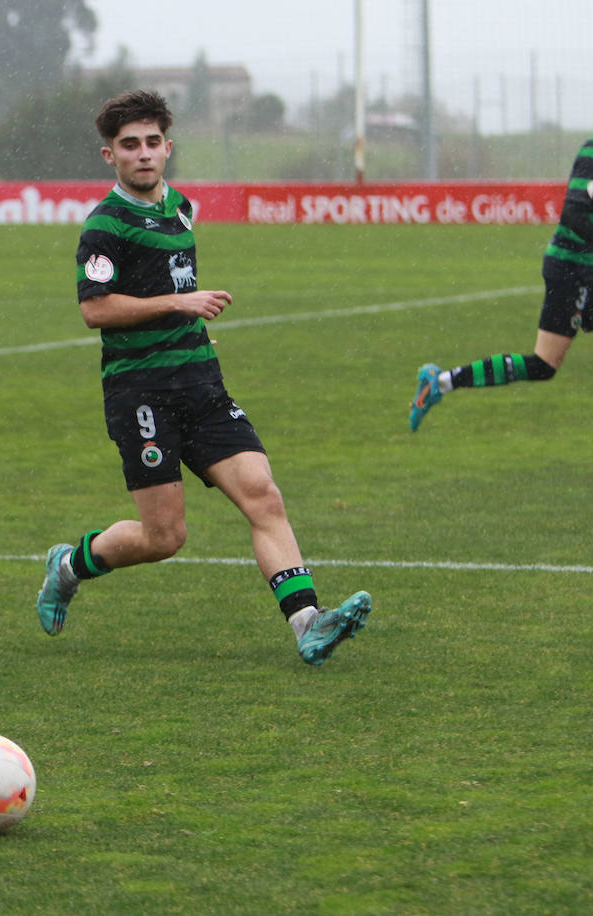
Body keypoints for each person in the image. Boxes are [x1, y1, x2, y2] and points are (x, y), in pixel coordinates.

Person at [34, 90, 371, 666]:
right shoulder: (104, 226)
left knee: (263, 494)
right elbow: (96, 309)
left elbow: (169, 291)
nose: (142, 154)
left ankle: (308, 623)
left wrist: (184, 325)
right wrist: (178, 306)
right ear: (108, 155)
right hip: (140, 395)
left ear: (168, 147)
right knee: (164, 538)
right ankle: (69, 565)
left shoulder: (183, 208)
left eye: (151, 143)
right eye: (128, 146)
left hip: (201, 385)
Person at [410, 138, 593, 431]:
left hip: (579, 268)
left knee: (543, 367)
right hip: (571, 267)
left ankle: (441, 383)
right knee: (545, 362)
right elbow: (575, 213)